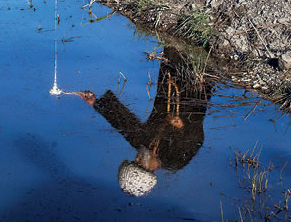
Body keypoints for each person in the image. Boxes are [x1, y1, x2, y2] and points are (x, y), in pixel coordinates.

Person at [76, 47, 214, 197]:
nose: (136, 157)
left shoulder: (142, 145)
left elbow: (122, 121)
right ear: (149, 170)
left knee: (173, 46)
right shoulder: (175, 160)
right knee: (205, 53)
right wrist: (183, 126)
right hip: (196, 89)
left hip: (168, 76)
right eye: (137, 163)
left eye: (133, 161)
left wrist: (95, 102)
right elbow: (198, 139)